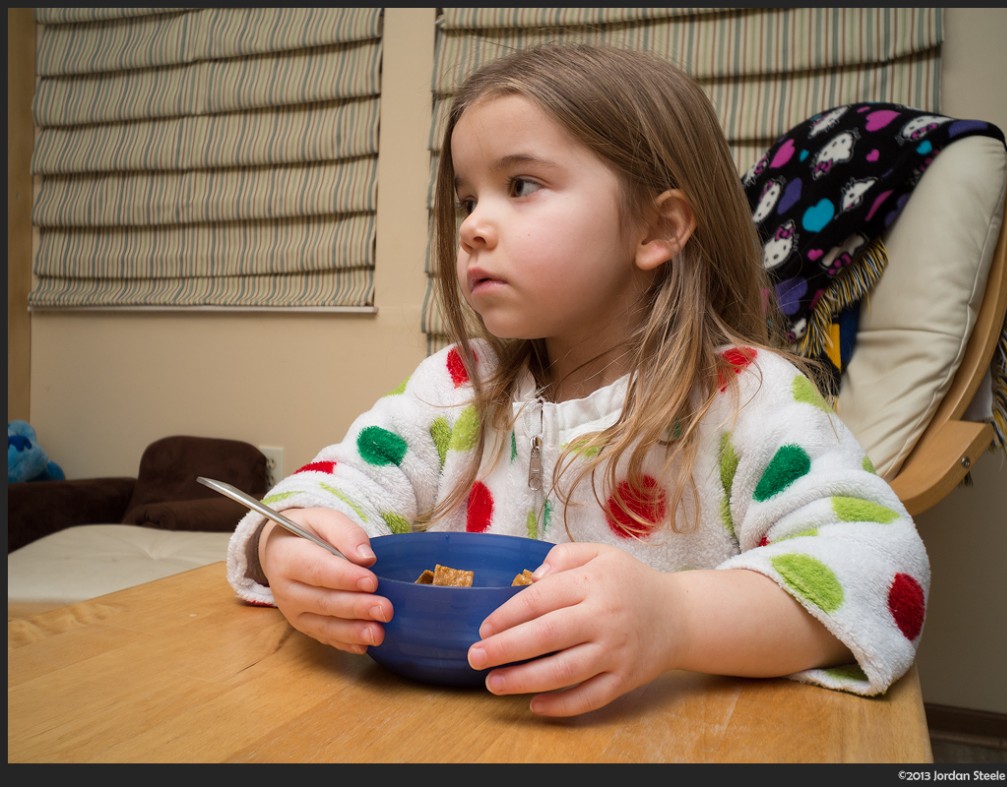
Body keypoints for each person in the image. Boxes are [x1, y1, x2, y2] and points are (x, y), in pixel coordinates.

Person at [227, 43, 930, 718]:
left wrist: (677, 619)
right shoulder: (456, 385)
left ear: (657, 229)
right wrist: (292, 547)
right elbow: (333, 486)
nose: (471, 227)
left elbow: (876, 570)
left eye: (521, 185)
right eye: (468, 199)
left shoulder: (749, 397)